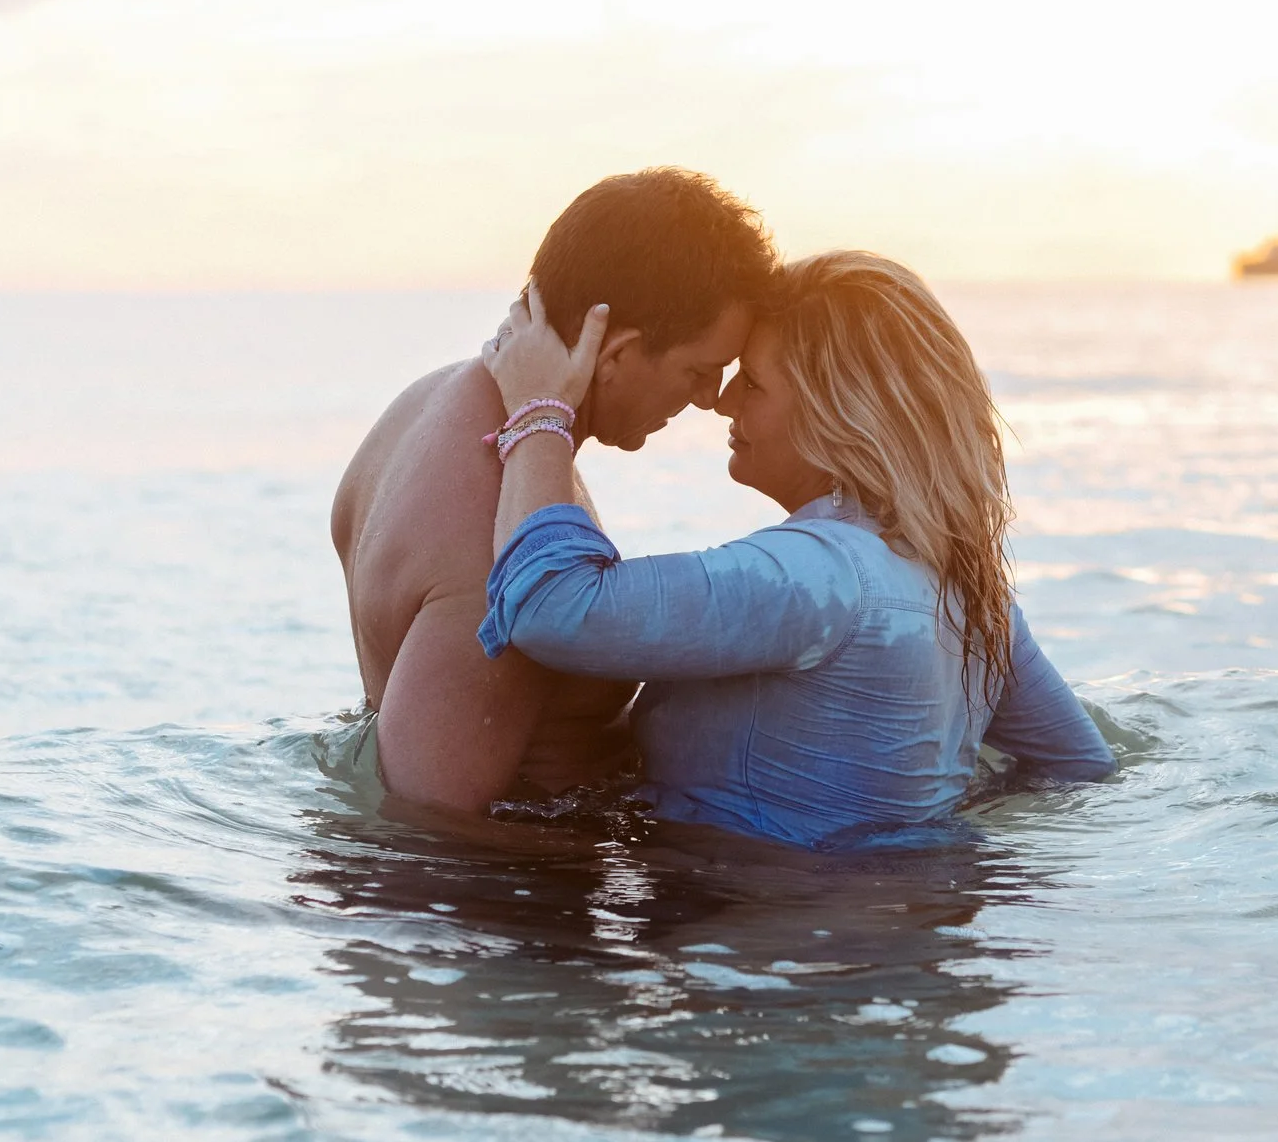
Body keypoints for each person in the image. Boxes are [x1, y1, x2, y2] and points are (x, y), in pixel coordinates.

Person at [473, 250, 1116, 848]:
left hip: (760, 943)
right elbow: (1080, 767)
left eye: (752, 383)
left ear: (836, 415)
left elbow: (547, 604)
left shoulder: (815, 578)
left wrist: (538, 410)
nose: (723, 400)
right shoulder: (966, 585)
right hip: (883, 941)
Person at [331, 167, 778, 813]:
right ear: (618, 352)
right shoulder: (491, 541)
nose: (709, 399)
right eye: (699, 371)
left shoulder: (432, 403)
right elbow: (432, 820)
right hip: (510, 899)